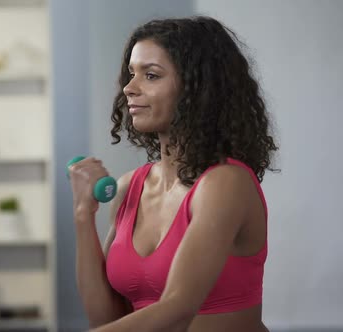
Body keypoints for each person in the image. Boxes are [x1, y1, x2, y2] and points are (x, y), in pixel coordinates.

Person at [68, 16, 279, 332]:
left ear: (198, 88)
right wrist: (84, 214)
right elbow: (107, 320)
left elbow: (178, 309)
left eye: (150, 75)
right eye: (131, 74)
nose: (129, 87)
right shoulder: (129, 188)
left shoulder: (225, 183)